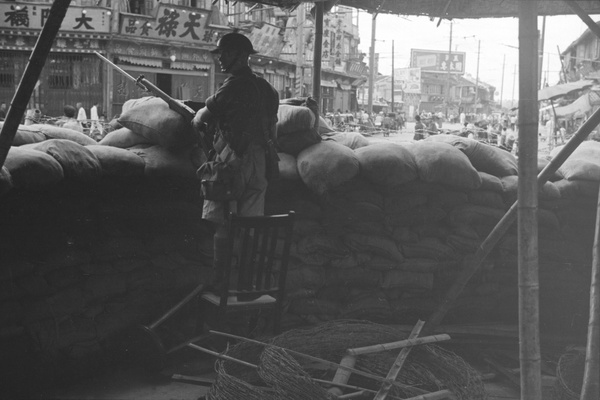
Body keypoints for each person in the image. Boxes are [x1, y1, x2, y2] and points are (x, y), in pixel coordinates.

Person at [191, 32, 279, 284]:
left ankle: (222, 286)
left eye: (226, 53)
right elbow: (273, 130)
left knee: (223, 225)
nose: (221, 58)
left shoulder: (231, 86)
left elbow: (201, 118)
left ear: (242, 56)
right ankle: (246, 285)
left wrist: (197, 120)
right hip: (260, 162)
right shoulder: (268, 89)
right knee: (250, 228)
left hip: (231, 163)